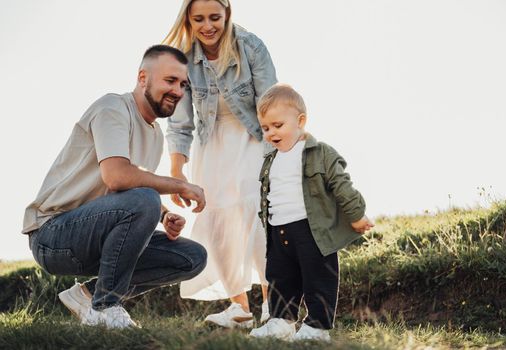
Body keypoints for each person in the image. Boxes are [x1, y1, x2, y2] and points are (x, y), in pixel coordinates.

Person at [22, 45, 208, 329]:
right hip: (53, 235)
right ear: (143, 77)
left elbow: (126, 192)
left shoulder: (155, 135)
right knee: (146, 198)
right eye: (170, 81)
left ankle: (88, 294)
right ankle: (106, 307)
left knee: (192, 257)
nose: (178, 91)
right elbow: (117, 177)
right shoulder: (113, 108)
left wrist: (162, 214)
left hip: (97, 235)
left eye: (183, 84)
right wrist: (177, 185)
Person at [162, 0, 277, 328]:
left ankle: (274, 306)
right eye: (199, 19)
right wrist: (176, 170)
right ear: (188, 19)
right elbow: (180, 123)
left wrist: (276, 154)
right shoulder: (183, 60)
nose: (208, 26)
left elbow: (270, 103)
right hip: (211, 143)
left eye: (215, 17)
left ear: (227, 14)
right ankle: (239, 308)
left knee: (256, 212)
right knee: (216, 222)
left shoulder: (251, 47)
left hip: (253, 136)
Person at [249, 84, 374, 341]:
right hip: (278, 231)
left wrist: (357, 215)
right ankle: (281, 322)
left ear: (300, 121)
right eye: (265, 128)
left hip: (311, 230)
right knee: (279, 278)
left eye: (277, 125)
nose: (271, 132)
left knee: (317, 277)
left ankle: (317, 328)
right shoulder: (271, 160)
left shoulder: (320, 153)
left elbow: (342, 185)